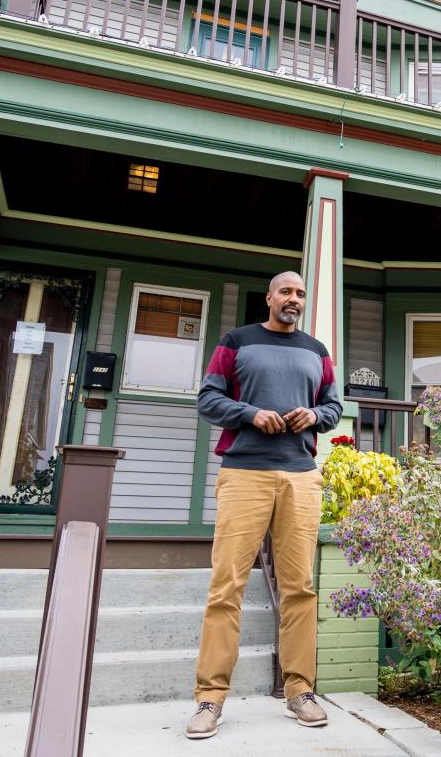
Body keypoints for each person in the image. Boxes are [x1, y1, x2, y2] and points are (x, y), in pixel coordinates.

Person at [185, 271, 342, 739]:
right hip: (245, 473)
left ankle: (301, 691)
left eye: (300, 293)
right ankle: (209, 699)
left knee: (300, 588)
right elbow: (208, 398)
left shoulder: (318, 351)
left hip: (300, 476)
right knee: (225, 586)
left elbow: (333, 406)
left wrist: (313, 414)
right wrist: (250, 412)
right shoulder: (237, 341)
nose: (293, 299)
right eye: (286, 292)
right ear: (269, 298)